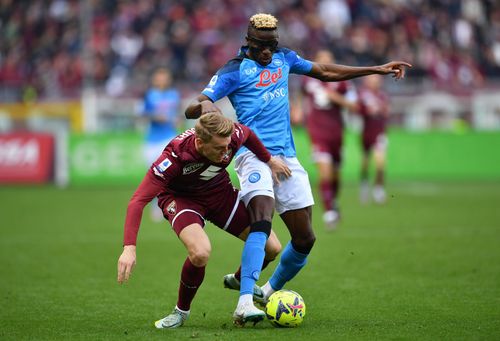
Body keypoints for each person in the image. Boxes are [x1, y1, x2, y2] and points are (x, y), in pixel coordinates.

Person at [185, 13, 411, 305]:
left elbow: (325, 72)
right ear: (248, 42)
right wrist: (206, 106)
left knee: (305, 239)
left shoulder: (284, 59)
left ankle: (265, 292)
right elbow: (196, 103)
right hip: (252, 156)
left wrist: (376, 69)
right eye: (261, 46)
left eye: (272, 45)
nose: (267, 51)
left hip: (286, 157)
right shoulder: (234, 70)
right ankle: (244, 304)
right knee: (262, 221)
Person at [117, 113, 291, 328]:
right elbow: (137, 201)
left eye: (228, 146)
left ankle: (238, 279)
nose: (226, 152)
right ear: (200, 142)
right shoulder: (175, 156)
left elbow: (247, 134)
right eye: (219, 148)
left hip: (219, 193)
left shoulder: (231, 136)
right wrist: (129, 248)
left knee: (272, 247)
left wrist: (269, 160)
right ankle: (181, 312)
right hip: (182, 200)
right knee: (200, 252)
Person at [294, 49, 358, 230]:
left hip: (337, 132)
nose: (324, 63)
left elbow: (354, 106)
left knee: (336, 175)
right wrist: (298, 109)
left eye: (328, 60)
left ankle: (334, 200)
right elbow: (300, 93)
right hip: (316, 132)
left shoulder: (342, 82)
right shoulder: (308, 79)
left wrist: (335, 97)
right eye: (321, 59)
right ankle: (329, 211)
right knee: (325, 172)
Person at [139, 67, 181, 221]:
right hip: (152, 140)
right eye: (160, 76)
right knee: (154, 176)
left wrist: (177, 120)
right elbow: (142, 114)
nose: (163, 79)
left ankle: (171, 205)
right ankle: (155, 207)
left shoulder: (174, 95)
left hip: (169, 139)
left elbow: (178, 113)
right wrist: (156, 117)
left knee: (171, 175)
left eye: (165, 76)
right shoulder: (149, 95)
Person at [356, 74, 390, 204]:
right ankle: (364, 187)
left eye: (377, 81)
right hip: (366, 133)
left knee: (380, 162)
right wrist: (366, 111)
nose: (375, 83)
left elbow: (387, 112)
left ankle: (378, 189)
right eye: (372, 81)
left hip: (379, 132)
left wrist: (382, 110)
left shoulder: (382, 96)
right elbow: (358, 109)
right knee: (365, 163)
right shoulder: (363, 95)